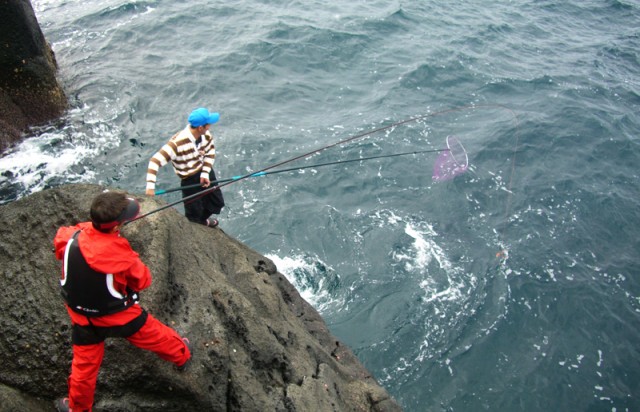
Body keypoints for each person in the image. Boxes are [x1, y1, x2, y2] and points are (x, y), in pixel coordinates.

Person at [53, 191, 192, 412]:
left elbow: (71, 240)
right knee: (155, 335)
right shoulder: (120, 254)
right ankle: (182, 355)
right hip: (117, 316)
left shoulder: (69, 237)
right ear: (117, 225)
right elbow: (143, 280)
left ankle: (77, 408)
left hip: (82, 317)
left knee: (83, 369)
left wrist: (98, 229)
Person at [145, 107, 225, 228]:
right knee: (193, 214)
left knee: (218, 202)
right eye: (208, 124)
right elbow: (154, 161)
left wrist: (204, 173)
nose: (210, 126)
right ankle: (199, 223)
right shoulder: (176, 143)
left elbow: (210, 153)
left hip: (205, 171)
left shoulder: (206, 135)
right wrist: (150, 188)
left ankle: (202, 220)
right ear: (200, 127)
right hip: (189, 179)